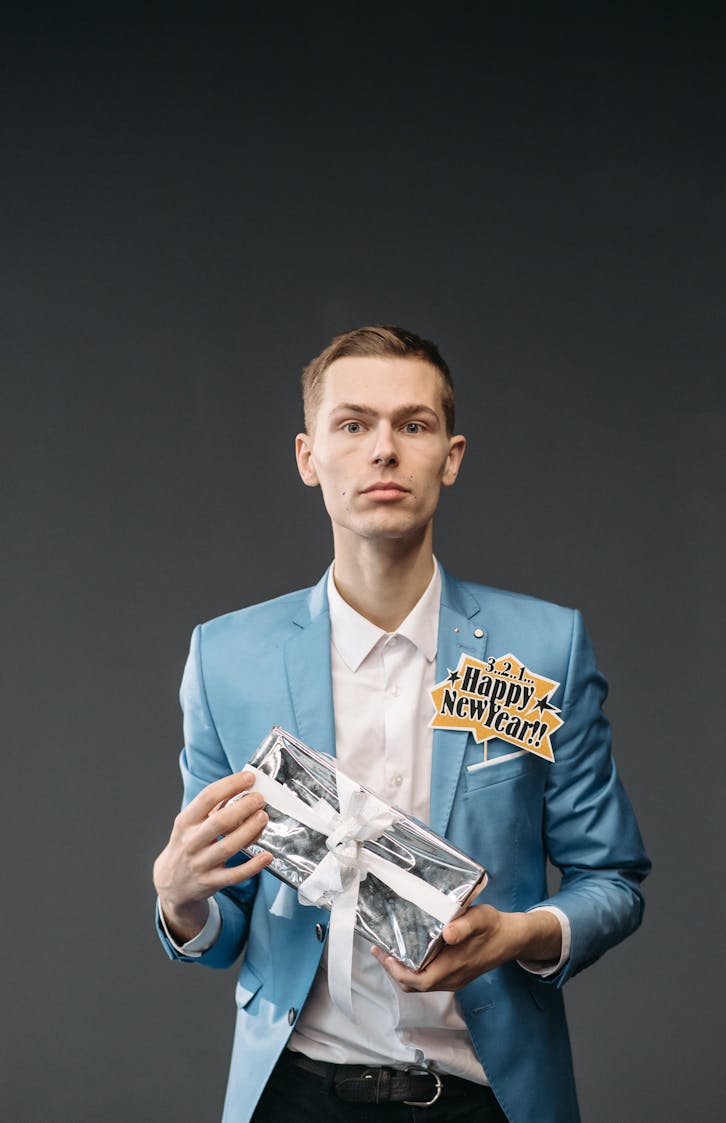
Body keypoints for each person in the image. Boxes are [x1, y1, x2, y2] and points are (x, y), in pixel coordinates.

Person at [153, 324, 650, 1123]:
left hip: (488, 1095)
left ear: (450, 457)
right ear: (308, 456)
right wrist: (179, 902)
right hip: (293, 1094)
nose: (384, 450)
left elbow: (614, 880)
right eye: (353, 424)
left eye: (412, 425)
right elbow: (220, 925)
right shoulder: (224, 657)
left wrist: (520, 932)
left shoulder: (544, 646)